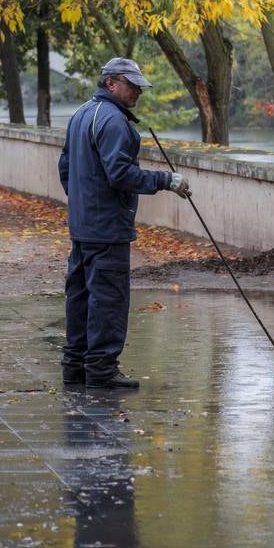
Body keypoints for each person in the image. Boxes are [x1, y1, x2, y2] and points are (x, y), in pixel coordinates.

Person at [58, 57, 190, 390]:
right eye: (132, 85)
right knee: (108, 299)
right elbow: (120, 174)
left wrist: (82, 203)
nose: (138, 92)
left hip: (84, 225)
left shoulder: (81, 115)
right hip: (107, 229)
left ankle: (74, 366)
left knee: (81, 296)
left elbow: (65, 168)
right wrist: (165, 180)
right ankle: (101, 371)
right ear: (111, 83)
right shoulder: (113, 121)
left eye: (139, 86)